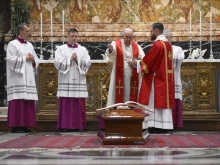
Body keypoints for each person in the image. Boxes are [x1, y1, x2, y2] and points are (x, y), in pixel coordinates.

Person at [97, 28, 146, 131]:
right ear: (122, 36)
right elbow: (112, 51)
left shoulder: (137, 46)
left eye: (130, 37)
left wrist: (136, 63)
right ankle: (114, 122)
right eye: (126, 37)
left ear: (133, 37)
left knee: (130, 97)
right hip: (119, 76)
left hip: (132, 78)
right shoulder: (116, 43)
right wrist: (110, 49)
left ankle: (132, 121)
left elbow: (143, 59)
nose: (128, 39)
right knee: (118, 96)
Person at [137, 22, 175, 133]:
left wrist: (137, 63)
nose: (150, 33)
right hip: (166, 78)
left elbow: (149, 61)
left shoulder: (158, 44)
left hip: (157, 78)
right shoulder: (168, 45)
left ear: (156, 31)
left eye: (151, 31)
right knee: (163, 101)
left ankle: (155, 124)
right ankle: (164, 125)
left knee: (154, 100)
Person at [54, 28, 91, 132]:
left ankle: (78, 125)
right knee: (66, 102)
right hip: (66, 80)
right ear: (68, 37)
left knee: (78, 102)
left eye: (76, 36)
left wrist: (78, 60)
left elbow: (88, 63)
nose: (74, 38)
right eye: (72, 36)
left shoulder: (83, 50)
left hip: (78, 81)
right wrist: (69, 59)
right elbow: (57, 63)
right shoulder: (60, 49)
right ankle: (65, 125)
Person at [6, 23, 39, 133]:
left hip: (28, 76)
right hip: (18, 77)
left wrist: (33, 60)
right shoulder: (13, 44)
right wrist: (24, 58)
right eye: (27, 31)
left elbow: (36, 59)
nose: (29, 33)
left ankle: (26, 125)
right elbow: (10, 60)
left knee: (28, 100)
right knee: (18, 100)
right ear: (21, 32)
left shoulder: (29, 45)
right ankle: (16, 126)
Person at [164, 29, 184, 129]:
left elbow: (178, 61)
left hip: (174, 79)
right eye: (164, 38)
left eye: (167, 38)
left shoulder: (177, 49)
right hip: (162, 81)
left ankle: (175, 124)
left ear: (171, 38)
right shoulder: (159, 48)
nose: (165, 40)